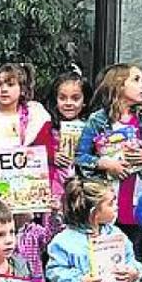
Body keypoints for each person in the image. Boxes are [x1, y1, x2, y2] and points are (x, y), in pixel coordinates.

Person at [77, 63, 142, 259]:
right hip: (107, 200)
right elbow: (80, 157)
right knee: (104, 255)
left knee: (135, 255)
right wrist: (104, 163)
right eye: (136, 80)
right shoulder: (98, 120)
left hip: (138, 201)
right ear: (119, 85)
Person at [42, 71, 91, 207]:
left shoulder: (91, 126)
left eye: (75, 98)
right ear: (55, 100)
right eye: (63, 98)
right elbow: (35, 149)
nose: (68, 103)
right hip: (54, 184)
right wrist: (51, 155)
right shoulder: (47, 125)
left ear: (85, 101)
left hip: (83, 184)